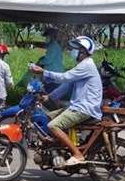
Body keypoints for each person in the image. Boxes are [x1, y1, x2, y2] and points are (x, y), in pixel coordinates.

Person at [29, 36, 102, 166]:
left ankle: (77, 154)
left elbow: (64, 77)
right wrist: (49, 96)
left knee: (53, 126)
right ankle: (61, 148)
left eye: (76, 49)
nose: (72, 52)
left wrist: (44, 71)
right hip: (78, 106)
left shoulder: (86, 65)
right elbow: (66, 85)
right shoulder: (82, 66)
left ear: (83, 51)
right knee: (49, 117)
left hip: (84, 108)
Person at [38, 27, 63, 92]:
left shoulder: (53, 46)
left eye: (47, 37)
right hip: (54, 74)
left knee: (50, 96)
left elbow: (48, 60)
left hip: (52, 76)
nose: (46, 38)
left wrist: (39, 62)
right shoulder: (55, 45)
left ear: (51, 36)